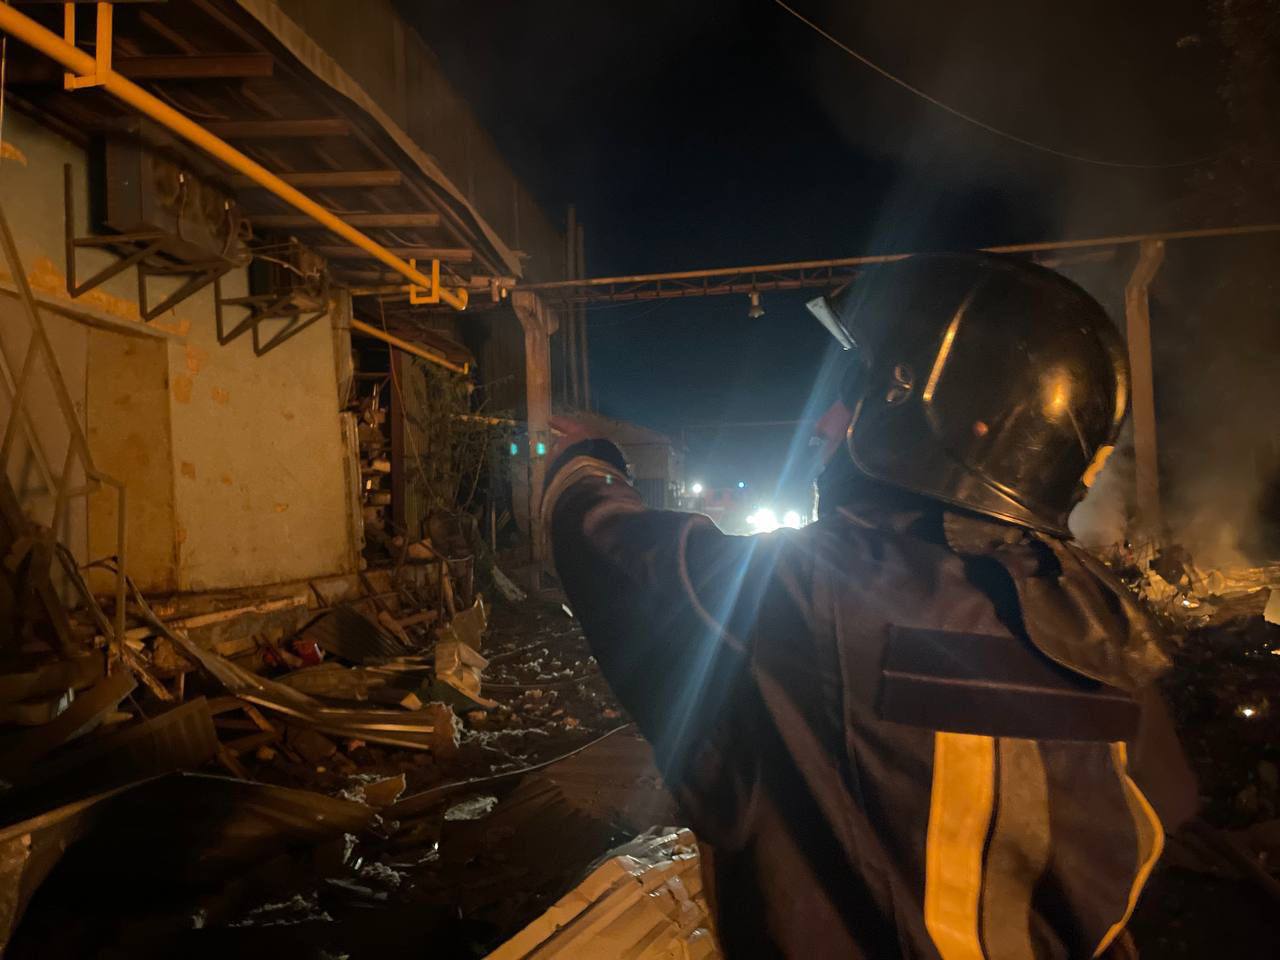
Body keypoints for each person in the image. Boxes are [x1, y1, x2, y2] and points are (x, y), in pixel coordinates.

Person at [543, 253, 1196, 960]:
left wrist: (586, 461)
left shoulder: (813, 595)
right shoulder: (1113, 631)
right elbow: (1168, 824)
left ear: (926, 412)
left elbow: (615, 554)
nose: (827, 422)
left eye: (854, 392)